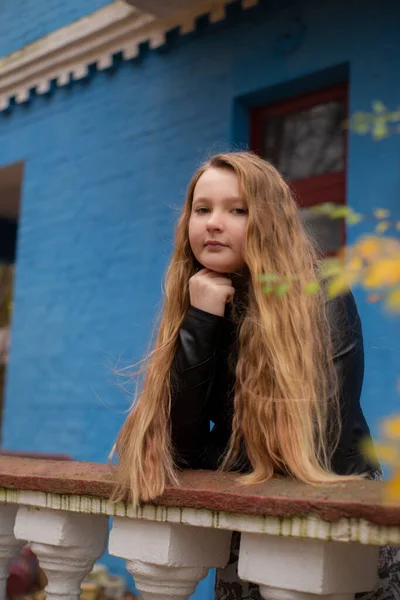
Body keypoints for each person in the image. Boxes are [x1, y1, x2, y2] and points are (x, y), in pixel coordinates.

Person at [113, 152, 398, 599]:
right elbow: (177, 449)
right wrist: (201, 323)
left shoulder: (320, 295)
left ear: (269, 219)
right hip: (250, 525)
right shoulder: (198, 302)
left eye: (237, 209)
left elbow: (313, 442)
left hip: (333, 530)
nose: (213, 222)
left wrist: (219, 451)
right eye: (202, 209)